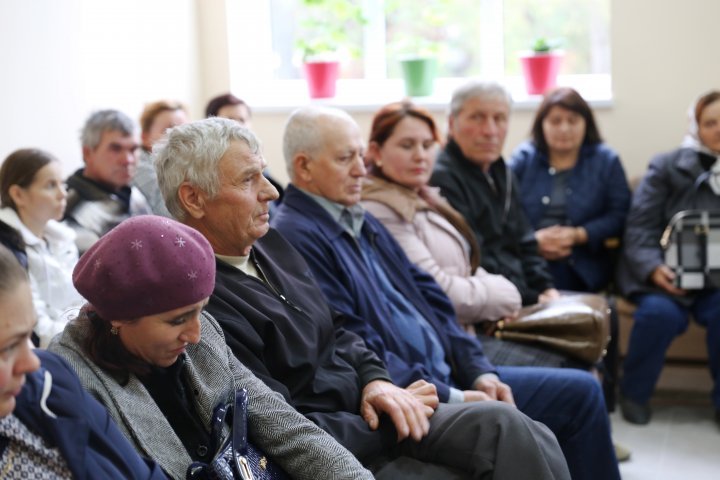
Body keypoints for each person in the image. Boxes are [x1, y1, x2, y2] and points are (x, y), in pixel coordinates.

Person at [155, 117, 571, 480]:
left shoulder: (270, 244)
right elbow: (276, 426)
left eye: (264, 174)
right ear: (194, 198)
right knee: (502, 449)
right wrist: (386, 416)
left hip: (376, 408)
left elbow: (340, 327)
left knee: (517, 428)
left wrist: (376, 381)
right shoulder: (201, 300)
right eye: (249, 180)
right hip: (341, 449)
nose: (272, 192)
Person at [272, 105, 620, 480]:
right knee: (530, 422)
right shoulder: (297, 236)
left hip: (449, 370)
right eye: (346, 159)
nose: (361, 168)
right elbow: (351, 339)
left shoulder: (358, 216)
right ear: (304, 167)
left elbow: (433, 302)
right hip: (416, 389)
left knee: (572, 401)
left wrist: (479, 372)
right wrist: (452, 393)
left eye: (360, 154)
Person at [47, 215, 372, 480]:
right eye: (177, 321)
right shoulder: (74, 383)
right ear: (118, 317)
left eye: (201, 310)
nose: (196, 334)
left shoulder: (203, 340)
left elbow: (287, 430)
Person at [0, 244, 168, 479]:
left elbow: (142, 473)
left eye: (28, 337)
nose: (32, 363)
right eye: (7, 348)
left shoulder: (50, 378)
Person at [361, 101, 522, 332]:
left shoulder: (424, 196)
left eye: (427, 145)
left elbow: (467, 267)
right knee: (569, 366)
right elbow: (439, 292)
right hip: (445, 347)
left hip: (470, 330)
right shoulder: (381, 211)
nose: (420, 156)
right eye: (407, 146)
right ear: (376, 152)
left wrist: (496, 299)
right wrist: (508, 296)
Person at [616, 90, 720, 425]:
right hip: (665, 277)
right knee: (657, 315)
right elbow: (639, 228)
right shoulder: (666, 166)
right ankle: (634, 394)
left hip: (716, 284)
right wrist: (653, 269)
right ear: (696, 127)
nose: (719, 130)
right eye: (711, 123)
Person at [430, 81, 559, 307]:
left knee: (607, 316)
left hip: (522, 293)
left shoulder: (503, 171)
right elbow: (475, 255)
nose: (490, 131)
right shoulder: (442, 178)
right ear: (452, 124)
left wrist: (546, 288)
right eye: (477, 118)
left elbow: (525, 240)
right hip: (487, 300)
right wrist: (531, 297)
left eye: (499, 119)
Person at [509, 87, 631, 292]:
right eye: (555, 121)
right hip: (527, 255)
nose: (564, 128)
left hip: (582, 260)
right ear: (542, 125)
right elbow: (503, 211)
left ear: (586, 124)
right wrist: (533, 241)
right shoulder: (523, 158)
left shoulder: (606, 161)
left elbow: (620, 214)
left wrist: (578, 235)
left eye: (573, 120)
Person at [0, 148, 83, 347]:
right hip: (50, 350)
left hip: (78, 336)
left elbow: (82, 300)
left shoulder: (62, 239)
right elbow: (39, 331)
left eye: (62, 184)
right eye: (50, 185)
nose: (63, 194)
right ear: (18, 195)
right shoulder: (8, 250)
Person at [63, 109, 151, 254]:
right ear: (88, 153)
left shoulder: (133, 194)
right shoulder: (70, 207)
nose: (127, 160)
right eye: (116, 149)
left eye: (133, 149)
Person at [205, 92, 285, 207]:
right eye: (230, 120)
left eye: (242, 120)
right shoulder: (209, 169)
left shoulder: (258, 160)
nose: (238, 126)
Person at [134, 100, 190, 216]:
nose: (180, 138)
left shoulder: (183, 167)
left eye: (185, 130)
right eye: (168, 130)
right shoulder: (138, 167)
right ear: (144, 137)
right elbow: (172, 216)